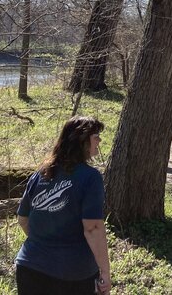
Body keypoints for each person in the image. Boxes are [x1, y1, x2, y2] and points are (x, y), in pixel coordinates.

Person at [15, 115, 110, 295]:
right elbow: (93, 228)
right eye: (96, 136)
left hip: (29, 267)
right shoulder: (91, 177)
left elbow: (22, 218)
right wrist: (105, 271)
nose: (100, 140)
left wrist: (44, 245)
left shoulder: (40, 174)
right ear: (82, 140)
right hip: (73, 274)